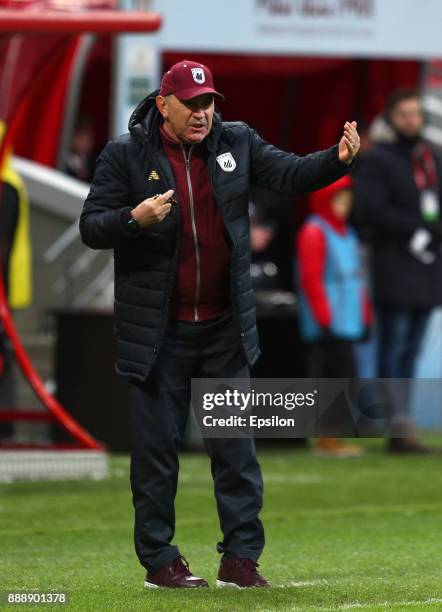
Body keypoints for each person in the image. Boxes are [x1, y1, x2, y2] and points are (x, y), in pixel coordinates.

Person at [79, 59, 360, 589]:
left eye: (209, 103)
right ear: (164, 104)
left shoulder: (240, 142)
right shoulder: (125, 154)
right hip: (158, 334)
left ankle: (240, 559)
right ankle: (160, 563)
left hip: (224, 330)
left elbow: (291, 172)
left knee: (236, 454)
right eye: (192, 104)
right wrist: (131, 221)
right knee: (157, 458)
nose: (203, 113)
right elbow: (91, 227)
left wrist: (335, 160)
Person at [353, 89, 442, 454]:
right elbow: (369, 211)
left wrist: (431, 233)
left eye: (415, 114)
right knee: (395, 344)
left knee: (412, 349)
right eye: (403, 114)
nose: (411, 120)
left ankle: (403, 421)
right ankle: (396, 424)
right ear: (391, 118)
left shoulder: (431, 158)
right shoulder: (378, 161)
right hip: (394, 265)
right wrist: (413, 229)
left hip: (427, 268)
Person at [296, 176, 372, 457]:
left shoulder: (346, 233)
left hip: (347, 321)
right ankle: (327, 438)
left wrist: (365, 316)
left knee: (346, 378)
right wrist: (323, 318)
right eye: (339, 201)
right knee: (332, 379)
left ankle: (333, 436)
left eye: (347, 201)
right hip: (329, 323)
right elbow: (311, 279)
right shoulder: (315, 231)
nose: (345, 207)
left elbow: (357, 279)